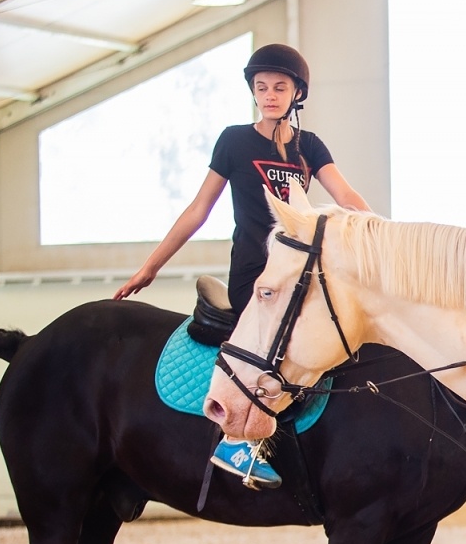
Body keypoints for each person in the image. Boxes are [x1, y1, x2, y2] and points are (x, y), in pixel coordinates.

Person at [114, 43, 371, 488]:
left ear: (297, 94)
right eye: (261, 87)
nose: (269, 95)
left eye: (279, 87)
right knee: (265, 352)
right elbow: (198, 209)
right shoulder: (234, 140)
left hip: (297, 274)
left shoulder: (309, 147)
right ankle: (238, 441)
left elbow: (348, 199)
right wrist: (150, 267)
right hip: (255, 274)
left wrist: (382, 238)